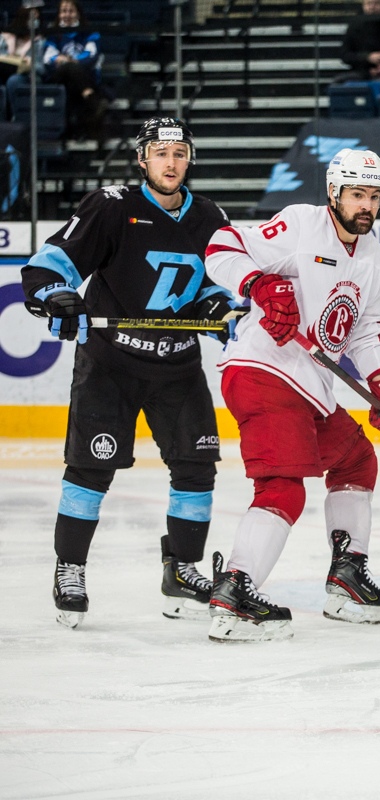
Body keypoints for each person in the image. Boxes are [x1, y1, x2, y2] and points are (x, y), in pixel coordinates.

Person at [20, 117, 236, 630]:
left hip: (178, 364)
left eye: (180, 153)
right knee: (92, 470)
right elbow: (51, 263)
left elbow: (219, 284)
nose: (171, 162)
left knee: (195, 468)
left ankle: (182, 571)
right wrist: (57, 295)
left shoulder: (209, 215)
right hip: (111, 363)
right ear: (142, 159)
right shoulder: (111, 206)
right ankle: (69, 568)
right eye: (160, 153)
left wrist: (219, 308)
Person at [202, 148, 380, 643]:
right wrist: (257, 284)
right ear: (334, 192)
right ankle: (236, 591)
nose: (367, 205)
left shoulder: (375, 261)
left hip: (310, 386)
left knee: (357, 460)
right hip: (264, 370)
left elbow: (364, 331)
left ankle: (347, 577)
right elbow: (221, 247)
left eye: (374, 196)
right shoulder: (300, 225)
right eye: (357, 194)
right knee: (282, 486)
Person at [41, 0, 106, 139]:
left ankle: (73, 131)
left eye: (71, 11)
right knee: (69, 69)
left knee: (72, 81)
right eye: (64, 11)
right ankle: (92, 99)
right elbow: (48, 58)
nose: (67, 14)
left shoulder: (89, 32)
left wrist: (68, 60)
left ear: (78, 13)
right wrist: (66, 62)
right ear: (59, 14)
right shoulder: (53, 33)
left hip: (81, 75)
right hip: (58, 75)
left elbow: (92, 54)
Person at [336, 0, 380, 83]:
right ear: (363, 6)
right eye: (368, 4)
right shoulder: (355, 25)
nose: (372, 7)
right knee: (338, 82)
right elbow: (345, 54)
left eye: (376, 3)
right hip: (362, 72)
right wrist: (367, 57)